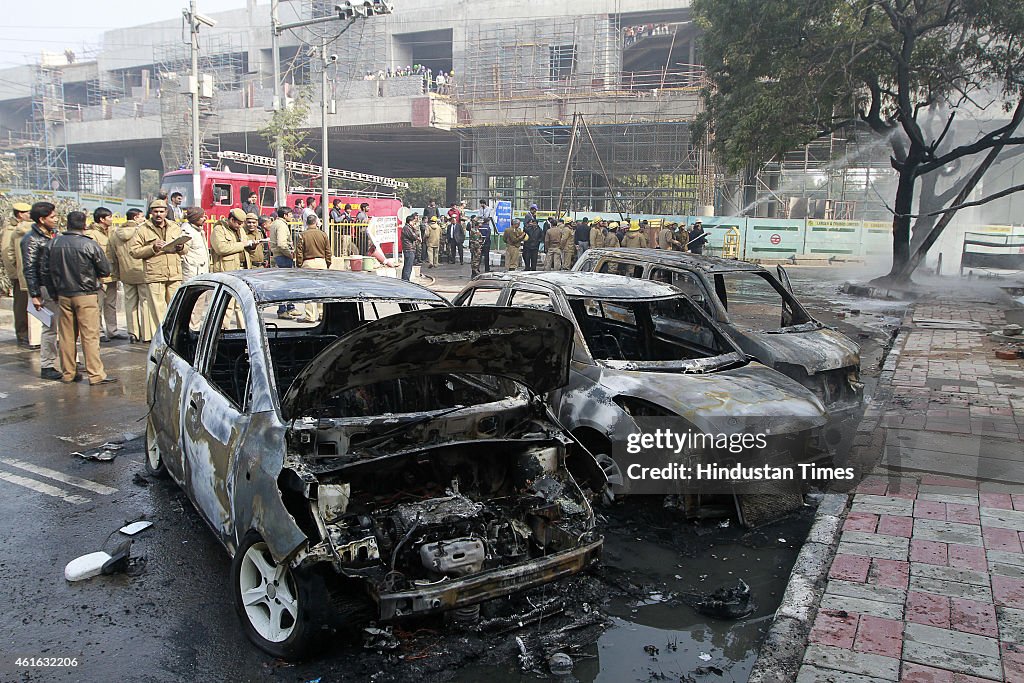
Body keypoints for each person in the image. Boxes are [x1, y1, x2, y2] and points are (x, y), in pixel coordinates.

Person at [41, 211, 116, 385]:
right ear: (84, 225)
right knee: (90, 336)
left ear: (67, 224)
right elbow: (105, 269)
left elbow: (44, 271)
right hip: (86, 294)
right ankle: (95, 375)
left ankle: (68, 373)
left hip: (63, 295)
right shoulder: (89, 244)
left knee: (66, 336)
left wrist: (53, 293)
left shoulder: (53, 243)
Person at [129, 199, 186, 335]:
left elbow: (185, 249)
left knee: (176, 308)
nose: (158, 214)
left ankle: (174, 337)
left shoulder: (175, 227)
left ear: (166, 212)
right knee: (158, 311)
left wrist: (181, 247)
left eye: (161, 211)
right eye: (155, 212)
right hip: (154, 275)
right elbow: (134, 251)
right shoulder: (142, 229)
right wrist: (152, 248)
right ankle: (161, 339)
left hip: (174, 273)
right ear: (151, 213)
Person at [21, 201, 62, 380]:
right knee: (50, 328)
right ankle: (47, 365)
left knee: (65, 326)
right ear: (41, 219)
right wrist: (35, 294)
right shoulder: (30, 240)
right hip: (45, 288)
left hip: (59, 286)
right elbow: (29, 269)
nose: (55, 219)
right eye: (52, 217)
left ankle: (70, 361)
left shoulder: (54, 235)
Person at [84, 207, 127, 342]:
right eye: (109, 217)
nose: (111, 219)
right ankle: (99, 332)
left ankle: (112, 330)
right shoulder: (91, 234)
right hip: (99, 277)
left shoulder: (112, 233)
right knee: (97, 305)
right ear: (102, 219)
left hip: (112, 274)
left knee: (111, 304)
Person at [108, 208, 150, 342]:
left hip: (125, 272)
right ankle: (146, 333)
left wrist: (117, 271)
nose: (143, 219)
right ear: (136, 217)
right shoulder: (142, 231)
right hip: (142, 271)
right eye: (142, 216)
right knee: (145, 302)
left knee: (130, 303)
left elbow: (111, 255)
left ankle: (133, 333)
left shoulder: (115, 234)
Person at [2, 202, 32, 346]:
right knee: (21, 306)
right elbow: (8, 255)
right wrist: (15, 274)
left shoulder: (30, 228)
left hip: (28, 274)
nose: (29, 215)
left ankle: (30, 333)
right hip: (20, 276)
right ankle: (22, 333)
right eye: (27, 212)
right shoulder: (10, 230)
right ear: (20, 214)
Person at [295, 214, 331, 322]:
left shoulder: (302, 235)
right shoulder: (323, 235)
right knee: (321, 289)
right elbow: (328, 251)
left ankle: (310, 316)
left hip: (308, 263)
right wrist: (327, 263)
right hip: (321, 262)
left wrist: (299, 264)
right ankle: (321, 314)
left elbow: (299, 252)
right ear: (316, 222)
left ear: (307, 223)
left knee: (309, 290)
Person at [268, 207, 299, 319]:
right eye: (290, 214)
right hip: (283, 257)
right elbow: (281, 244)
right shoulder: (281, 225)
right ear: (285, 215)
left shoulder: (276, 223)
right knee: (284, 285)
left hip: (279, 256)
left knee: (286, 284)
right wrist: (290, 254)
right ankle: (282, 310)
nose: (292, 216)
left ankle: (290, 307)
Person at [211, 208, 257, 273]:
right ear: (232, 220)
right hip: (227, 270)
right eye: (239, 223)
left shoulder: (241, 230)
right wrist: (243, 244)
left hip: (244, 268)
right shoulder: (219, 229)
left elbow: (246, 248)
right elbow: (221, 249)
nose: (240, 226)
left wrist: (252, 246)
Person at [180, 207, 211, 280]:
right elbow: (182, 253)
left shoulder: (199, 230)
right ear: (195, 218)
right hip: (191, 273)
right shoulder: (187, 232)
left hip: (201, 271)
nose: (205, 219)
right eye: (202, 217)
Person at [400, 214, 420, 281]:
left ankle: (404, 279)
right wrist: (415, 232)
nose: (414, 223)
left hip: (409, 249)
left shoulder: (408, 228)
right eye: (413, 221)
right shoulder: (407, 228)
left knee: (407, 265)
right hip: (409, 249)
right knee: (408, 266)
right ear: (410, 221)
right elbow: (413, 237)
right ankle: (406, 280)